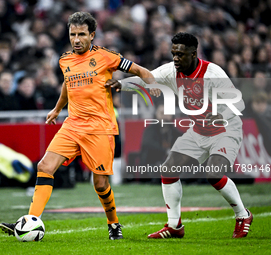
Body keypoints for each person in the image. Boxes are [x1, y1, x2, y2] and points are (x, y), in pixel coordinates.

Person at [0, 11, 157, 240]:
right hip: (73, 124)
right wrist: (56, 109)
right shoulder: (65, 60)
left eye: (82, 34)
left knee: (101, 184)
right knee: (44, 166)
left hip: (100, 127)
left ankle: (113, 224)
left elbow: (140, 71)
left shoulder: (106, 57)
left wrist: (152, 87)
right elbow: (67, 85)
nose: (76, 39)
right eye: (73, 34)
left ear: (92, 35)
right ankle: (30, 220)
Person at [108, 32, 252, 239]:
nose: (176, 58)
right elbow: (147, 78)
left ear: (193, 54)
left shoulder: (213, 73)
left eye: (181, 55)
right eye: (174, 53)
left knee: (213, 173)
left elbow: (239, 104)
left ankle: (243, 215)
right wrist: (122, 85)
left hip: (225, 129)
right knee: (168, 170)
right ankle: (175, 226)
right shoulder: (171, 70)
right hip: (198, 130)